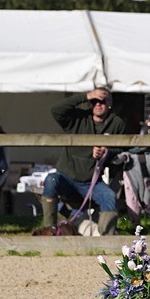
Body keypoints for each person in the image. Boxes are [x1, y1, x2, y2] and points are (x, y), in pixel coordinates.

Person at [43, 87, 126, 235]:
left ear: (110, 103)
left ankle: (106, 237)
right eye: (94, 101)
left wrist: (106, 152)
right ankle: (49, 230)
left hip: (91, 182)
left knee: (110, 197)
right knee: (51, 179)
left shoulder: (117, 123)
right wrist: (86, 96)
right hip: (67, 177)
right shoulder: (78, 118)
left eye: (102, 101)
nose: (98, 104)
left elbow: (121, 150)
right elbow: (55, 110)